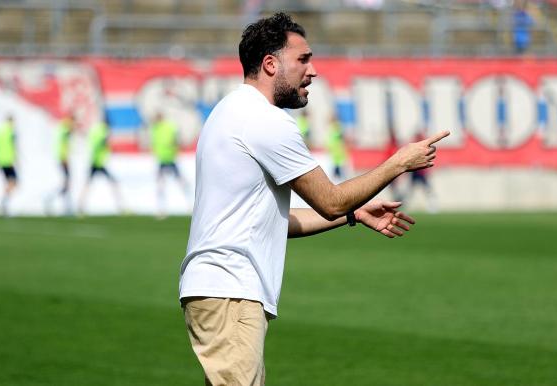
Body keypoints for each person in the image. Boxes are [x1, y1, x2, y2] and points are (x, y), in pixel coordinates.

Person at [179, 12, 449, 386]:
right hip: (231, 291)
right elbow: (331, 200)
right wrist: (399, 163)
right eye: (303, 59)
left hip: (219, 291)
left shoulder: (230, 111)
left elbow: (279, 221)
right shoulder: (264, 121)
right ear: (271, 64)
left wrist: (353, 215)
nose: (313, 70)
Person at [78, 118, 123, 215]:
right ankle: (120, 206)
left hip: (96, 162)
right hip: (97, 163)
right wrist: (106, 144)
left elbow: (94, 144)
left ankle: (81, 206)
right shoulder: (103, 133)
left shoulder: (97, 131)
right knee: (112, 183)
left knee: (89, 185)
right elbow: (101, 144)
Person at [149, 111, 189, 218]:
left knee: (181, 183)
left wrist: (174, 145)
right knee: (161, 186)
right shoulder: (155, 129)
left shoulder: (168, 127)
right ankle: (161, 209)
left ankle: (191, 205)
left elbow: (176, 138)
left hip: (170, 159)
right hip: (162, 160)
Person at [45, 114, 75, 215]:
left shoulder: (63, 129)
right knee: (67, 183)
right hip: (63, 159)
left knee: (66, 183)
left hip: (62, 158)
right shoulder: (66, 131)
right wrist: (64, 158)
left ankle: (65, 205)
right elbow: (63, 145)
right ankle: (58, 202)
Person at [0, 114, 18, 216]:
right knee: (13, 181)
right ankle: (4, 204)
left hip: (1, 161)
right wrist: (15, 158)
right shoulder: (11, 132)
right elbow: (13, 146)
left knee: (9, 182)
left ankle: (4, 204)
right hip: (8, 161)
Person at [326, 113, 349, 181]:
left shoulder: (338, 126)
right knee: (336, 169)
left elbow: (342, 138)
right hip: (334, 153)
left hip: (338, 152)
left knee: (339, 168)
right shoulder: (332, 127)